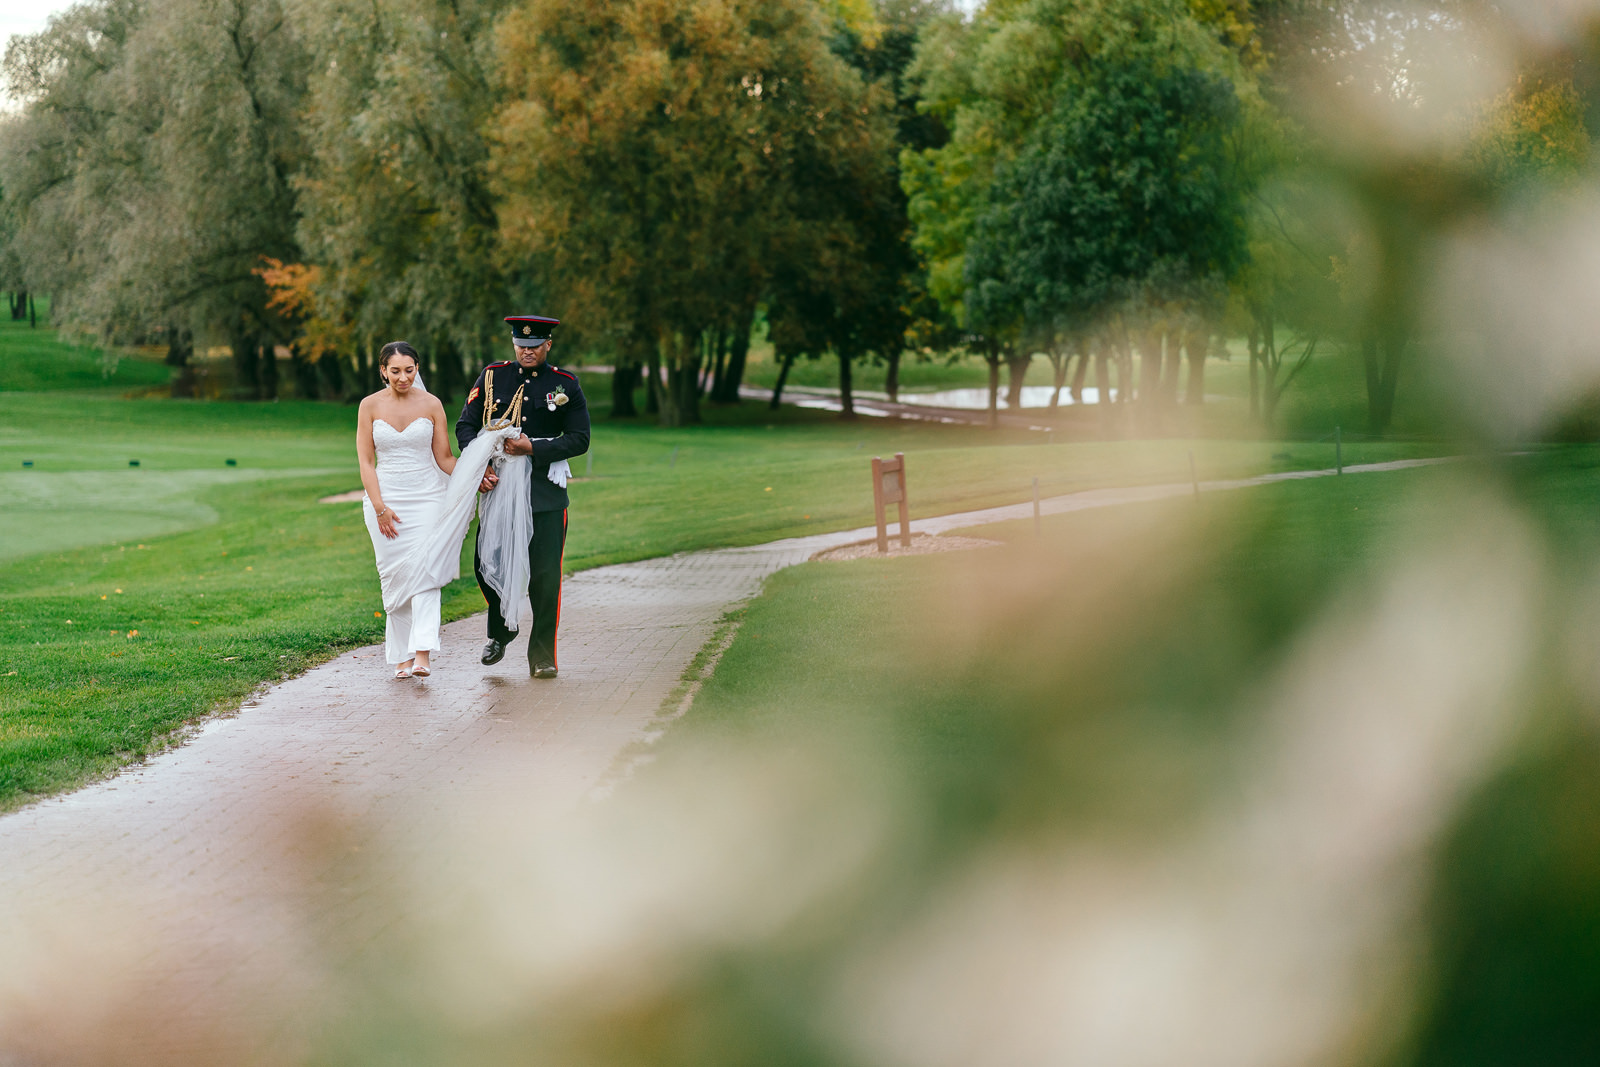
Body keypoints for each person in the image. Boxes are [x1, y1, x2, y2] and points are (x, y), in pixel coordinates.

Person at [456, 315, 590, 678]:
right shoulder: (492, 376)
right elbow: (466, 425)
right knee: (487, 565)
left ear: (548, 344)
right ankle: (502, 632)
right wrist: (479, 467)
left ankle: (543, 657)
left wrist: (535, 446)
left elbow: (579, 439)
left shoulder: (565, 385)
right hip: (499, 489)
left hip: (545, 494)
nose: (526, 352)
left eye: (533, 347)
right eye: (520, 346)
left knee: (545, 580)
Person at [358, 342, 457, 678]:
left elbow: (444, 458)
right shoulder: (369, 405)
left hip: (428, 497)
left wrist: (476, 472)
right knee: (395, 578)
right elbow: (366, 462)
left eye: (409, 370)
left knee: (426, 574)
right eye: (395, 371)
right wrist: (380, 507)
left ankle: (423, 653)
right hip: (385, 500)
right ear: (383, 370)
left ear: (417, 368)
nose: (403, 377)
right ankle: (401, 657)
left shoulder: (432, 404)